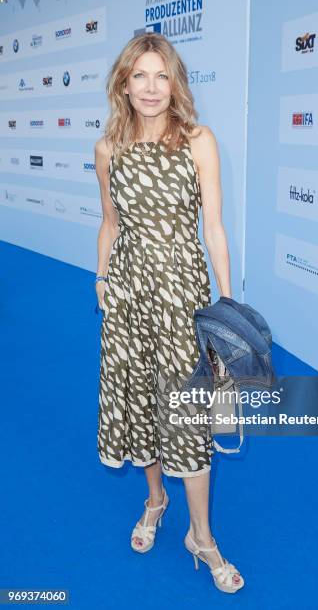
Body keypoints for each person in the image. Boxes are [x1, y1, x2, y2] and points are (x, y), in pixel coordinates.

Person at [94, 32, 244, 594]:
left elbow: (214, 229)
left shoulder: (198, 140)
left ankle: (201, 537)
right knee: (140, 404)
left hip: (183, 299)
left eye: (161, 76)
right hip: (129, 298)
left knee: (187, 414)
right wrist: (102, 278)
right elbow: (110, 223)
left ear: (174, 81)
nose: (151, 88)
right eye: (140, 76)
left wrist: (227, 308)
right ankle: (155, 500)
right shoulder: (107, 150)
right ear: (123, 83)